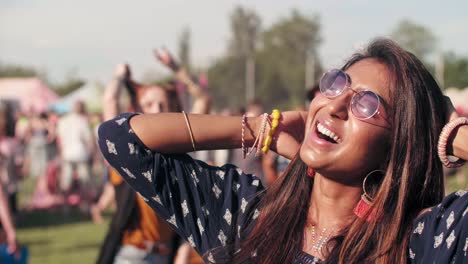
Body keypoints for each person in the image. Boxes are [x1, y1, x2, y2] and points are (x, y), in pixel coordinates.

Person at [97, 39, 468, 263]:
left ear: (399, 143)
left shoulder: (423, 239)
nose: (336, 106)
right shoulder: (246, 217)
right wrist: (260, 129)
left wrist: (447, 129)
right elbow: (121, 139)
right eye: (337, 84)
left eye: (367, 105)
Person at [56, 100, 93, 203]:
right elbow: (89, 140)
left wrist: (61, 154)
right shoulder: (82, 121)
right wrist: (93, 155)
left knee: (66, 181)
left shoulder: (62, 120)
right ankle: (87, 205)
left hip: (67, 154)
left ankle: (64, 206)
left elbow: (59, 140)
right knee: (85, 181)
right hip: (81, 154)